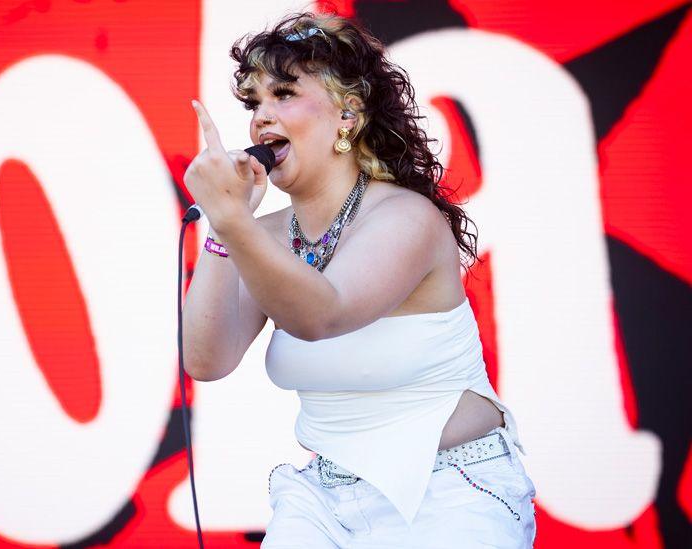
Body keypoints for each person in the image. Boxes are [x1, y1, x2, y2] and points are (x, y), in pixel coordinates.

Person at [181, 10, 537, 549]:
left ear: (348, 113)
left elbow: (322, 315)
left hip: (451, 492)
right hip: (325, 498)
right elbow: (207, 360)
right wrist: (222, 226)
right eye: (254, 103)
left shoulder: (405, 219)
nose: (260, 118)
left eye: (284, 94)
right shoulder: (265, 235)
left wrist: (235, 223)